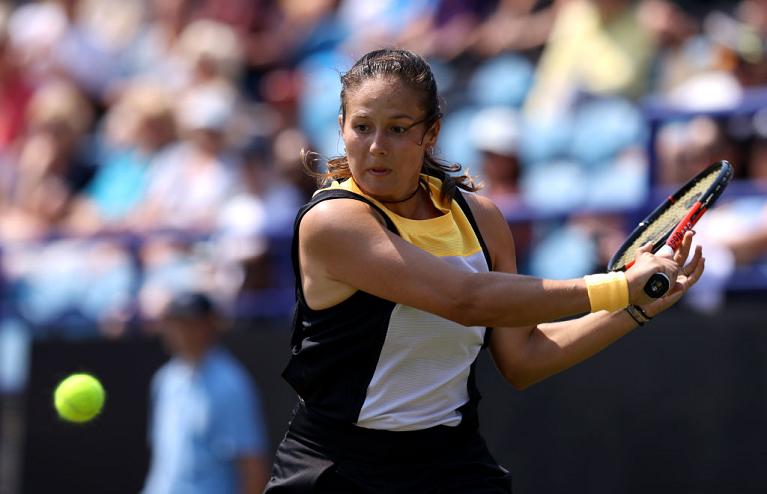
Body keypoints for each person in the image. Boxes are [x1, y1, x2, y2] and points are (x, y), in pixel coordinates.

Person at [264, 48, 705, 493]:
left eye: (398, 129)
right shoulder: (333, 223)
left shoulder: (482, 220)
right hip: (339, 471)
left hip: (451, 465)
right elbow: (465, 299)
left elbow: (524, 360)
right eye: (362, 127)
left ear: (431, 133)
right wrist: (618, 288)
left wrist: (634, 308)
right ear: (341, 126)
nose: (377, 146)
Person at [143, 291, 269, 494]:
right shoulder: (165, 379)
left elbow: (252, 467)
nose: (180, 331)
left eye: (189, 323)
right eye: (175, 323)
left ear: (210, 326)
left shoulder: (231, 385)